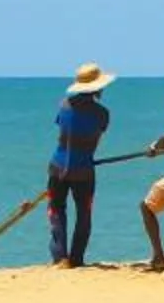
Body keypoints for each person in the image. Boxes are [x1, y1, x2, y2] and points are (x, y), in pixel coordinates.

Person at [47, 63, 114, 267]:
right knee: (84, 213)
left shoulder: (64, 104)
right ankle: (76, 258)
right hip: (83, 169)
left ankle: (60, 256)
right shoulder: (102, 113)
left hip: (57, 166)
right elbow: (94, 140)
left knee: (56, 210)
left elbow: (63, 131)